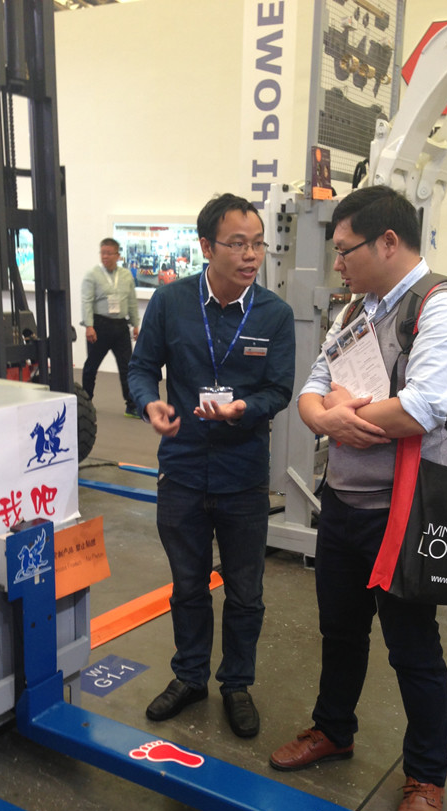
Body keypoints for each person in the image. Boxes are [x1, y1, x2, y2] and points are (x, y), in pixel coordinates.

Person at [269, 186, 447, 811]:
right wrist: (328, 417)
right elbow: (311, 390)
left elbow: (422, 408)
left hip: (406, 513)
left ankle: (426, 774)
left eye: (345, 250)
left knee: (413, 650)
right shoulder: (355, 311)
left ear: (388, 242)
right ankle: (334, 729)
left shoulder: (442, 308)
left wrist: (339, 419)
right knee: (340, 630)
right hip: (343, 503)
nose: (337, 263)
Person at [128, 193, 295, 738]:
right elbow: (140, 368)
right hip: (182, 469)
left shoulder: (274, 314)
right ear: (207, 246)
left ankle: (237, 684)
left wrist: (245, 408)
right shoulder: (171, 302)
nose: (251, 255)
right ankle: (190, 676)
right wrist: (148, 403)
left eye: (258, 244)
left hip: (242, 475)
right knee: (188, 585)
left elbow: (279, 389)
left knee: (245, 591)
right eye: (238, 244)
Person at [81, 238, 140, 417]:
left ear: (117, 255)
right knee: (91, 366)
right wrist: (89, 326)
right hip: (99, 326)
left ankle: (131, 405)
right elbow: (87, 301)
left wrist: (135, 324)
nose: (105, 256)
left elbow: (132, 301)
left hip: (121, 327)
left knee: (127, 366)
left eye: (109, 253)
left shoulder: (126, 275)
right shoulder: (92, 275)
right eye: (103, 253)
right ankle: (85, 402)